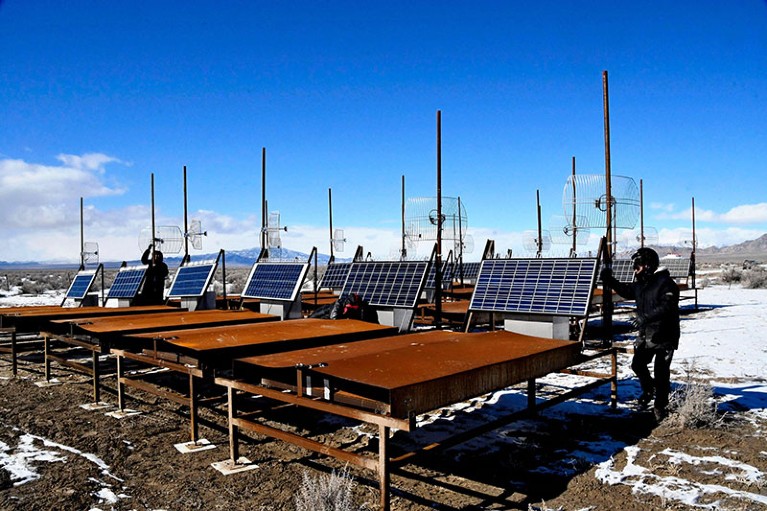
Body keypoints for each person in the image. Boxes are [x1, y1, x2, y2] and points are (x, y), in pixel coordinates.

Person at [601, 247, 680, 422]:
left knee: (661, 372)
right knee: (637, 364)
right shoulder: (642, 284)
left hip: (664, 335)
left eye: (638, 265)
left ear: (648, 265)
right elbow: (627, 290)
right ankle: (649, 389)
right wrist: (609, 280)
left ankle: (660, 407)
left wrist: (644, 317)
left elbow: (668, 307)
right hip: (647, 335)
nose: (634, 269)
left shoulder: (666, 283)